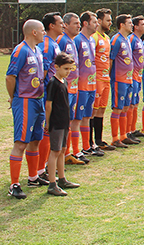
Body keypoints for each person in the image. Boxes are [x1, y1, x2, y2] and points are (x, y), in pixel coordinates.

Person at [6, 19, 46, 199]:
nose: (44, 33)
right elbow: (10, 76)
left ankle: (33, 177)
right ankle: (14, 184)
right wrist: (15, 96)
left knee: (35, 139)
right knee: (21, 142)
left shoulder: (37, 50)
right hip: (25, 101)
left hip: (38, 101)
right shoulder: (20, 50)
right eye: (42, 30)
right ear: (34, 32)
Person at [44, 52, 80, 196]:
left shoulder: (64, 82)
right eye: (66, 69)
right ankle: (52, 183)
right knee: (55, 151)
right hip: (56, 122)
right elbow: (49, 104)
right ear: (56, 67)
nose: (68, 72)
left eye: (70, 69)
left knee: (62, 150)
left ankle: (62, 179)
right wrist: (48, 122)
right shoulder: (53, 82)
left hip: (65, 121)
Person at [36, 12, 64, 180]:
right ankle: (41, 169)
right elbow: (44, 71)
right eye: (60, 23)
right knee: (47, 131)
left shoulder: (53, 43)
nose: (63, 25)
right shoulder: (47, 45)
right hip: (48, 95)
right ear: (51, 26)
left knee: (50, 131)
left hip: (55, 94)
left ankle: (45, 167)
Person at [57, 13, 83, 164]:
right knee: (64, 121)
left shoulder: (72, 41)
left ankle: (68, 153)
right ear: (65, 25)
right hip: (65, 88)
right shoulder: (62, 40)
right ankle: (62, 155)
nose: (78, 26)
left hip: (74, 86)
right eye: (75, 23)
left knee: (71, 119)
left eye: (79, 23)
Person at [74, 11, 99, 160]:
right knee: (78, 117)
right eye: (94, 22)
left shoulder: (91, 40)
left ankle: (86, 146)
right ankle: (76, 150)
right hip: (81, 85)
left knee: (87, 116)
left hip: (91, 84)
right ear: (86, 23)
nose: (97, 24)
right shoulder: (77, 40)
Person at [109, 14, 135, 147]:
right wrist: (110, 77)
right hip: (119, 80)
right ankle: (114, 138)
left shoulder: (127, 39)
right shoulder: (116, 40)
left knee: (125, 107)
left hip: (128, 79)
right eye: (129, 23)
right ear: (122, 25)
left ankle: (123, 135)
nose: (132, 25)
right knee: (117, 108)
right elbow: (111, 60)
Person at [92, 8, 113, 151]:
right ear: (99, 21)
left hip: (106, 79)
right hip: (96, 79)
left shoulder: (107, 38)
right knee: (93, 111)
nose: (110, 23)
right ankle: (90, 143)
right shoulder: (94, 37)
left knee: (101, 110)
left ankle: (98, 140)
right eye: (108, 20)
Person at [127, 15, 144, 138]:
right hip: (132, 76)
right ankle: (128, 131)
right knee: (130, 104)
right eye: (143, 24)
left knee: (135, 103)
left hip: (138, 76)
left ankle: (133, 129)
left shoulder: (139, 40)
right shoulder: (131, 39)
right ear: (136, 27)